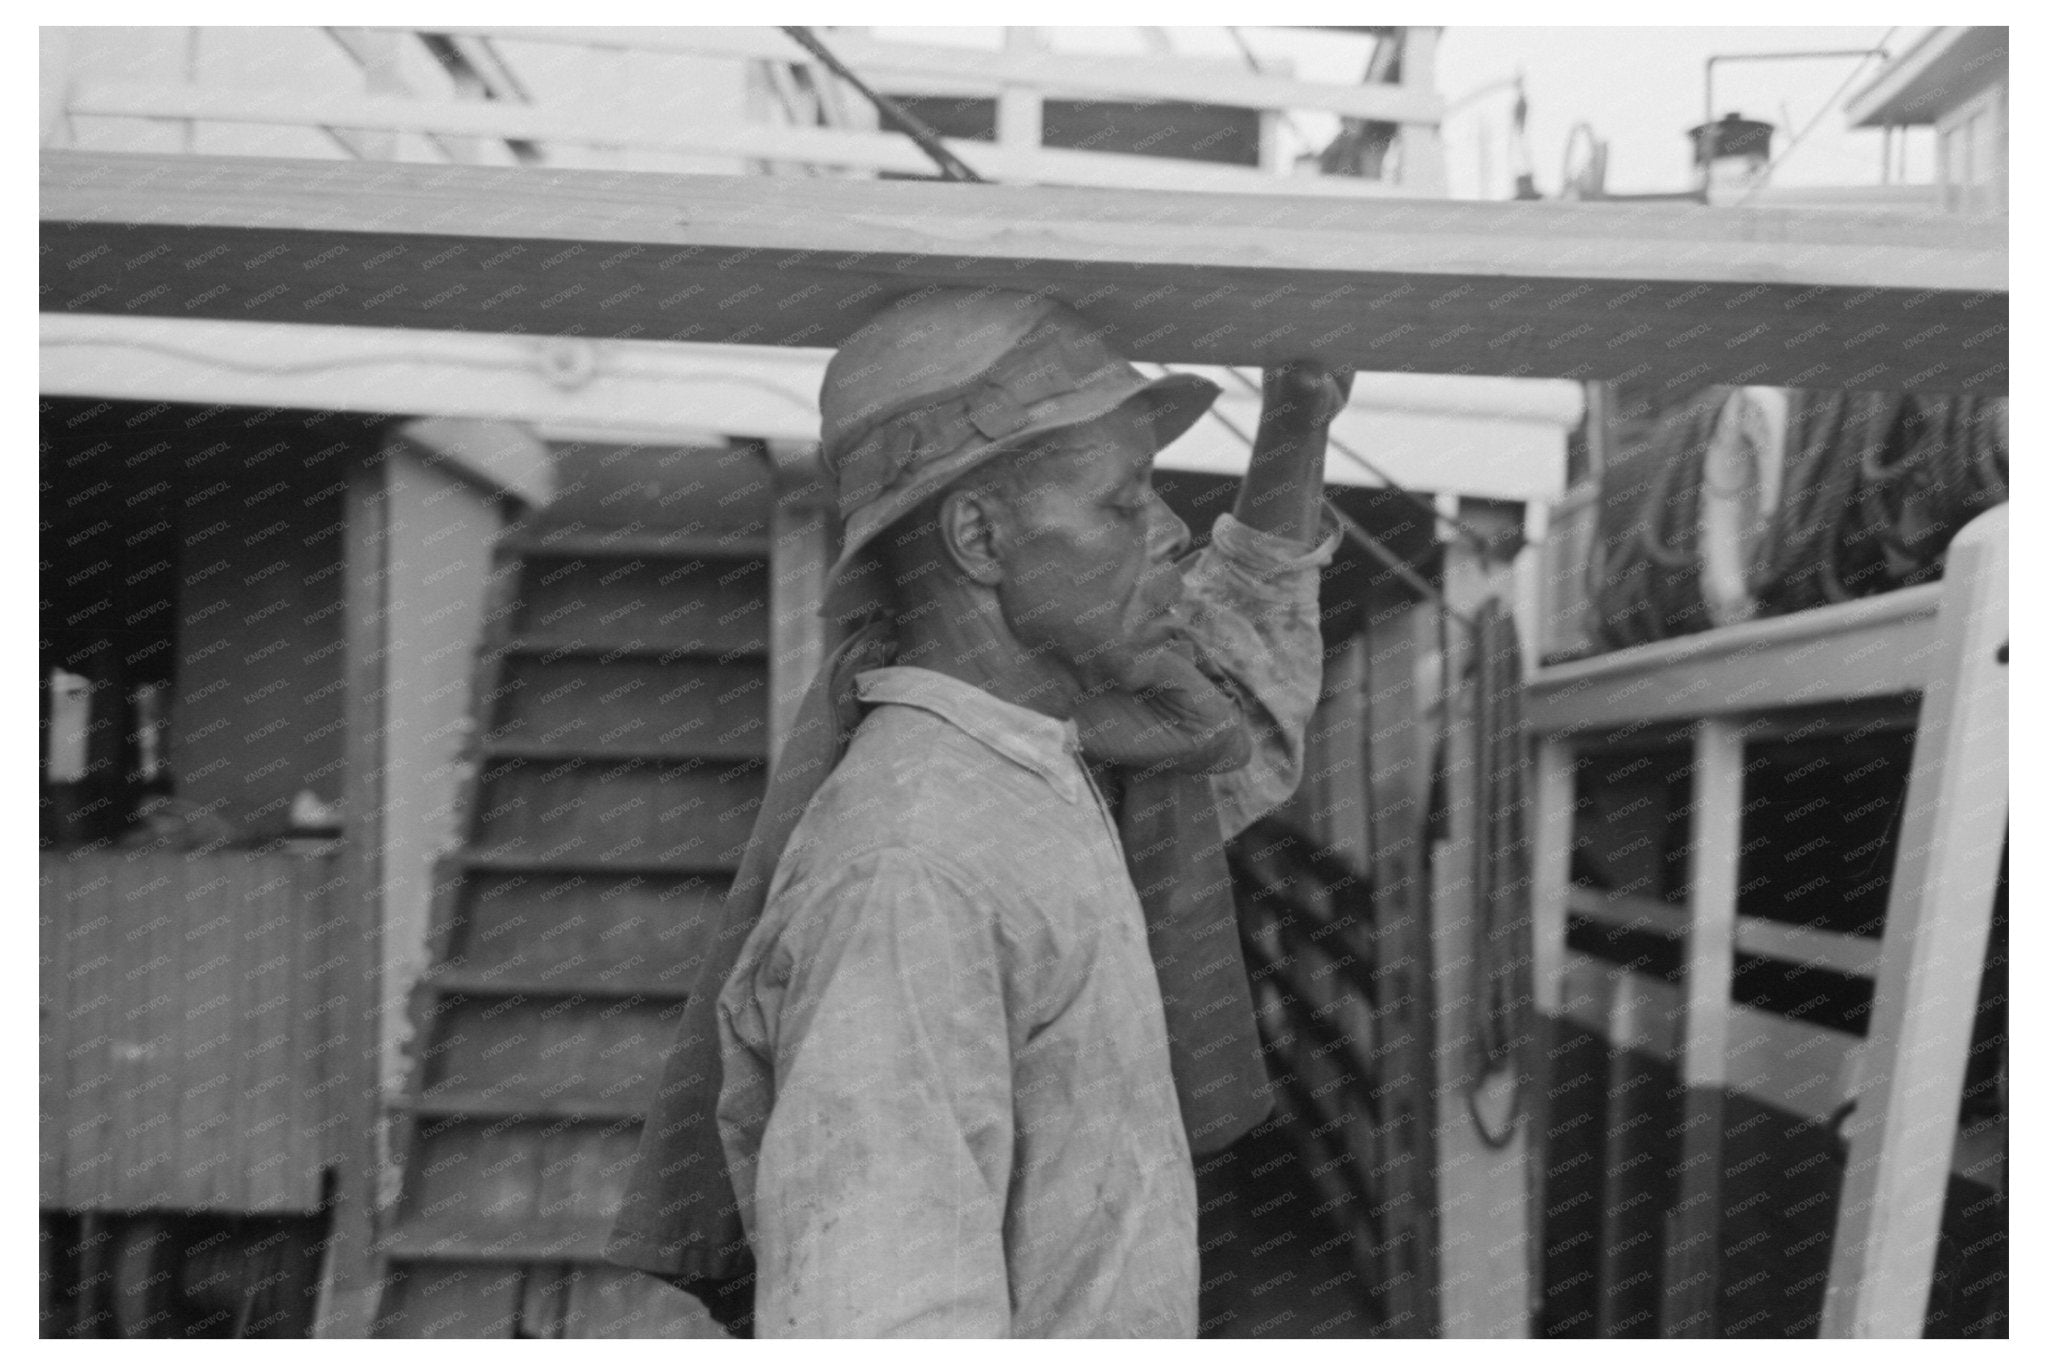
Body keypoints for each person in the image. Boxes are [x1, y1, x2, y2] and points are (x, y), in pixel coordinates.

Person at [606, 288, 1349, 1337]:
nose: (1171, 531)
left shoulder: (1051, 764)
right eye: (1123, 501)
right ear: (978, 536)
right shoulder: (911, 875)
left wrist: (1296, 426)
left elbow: (1232, 701)